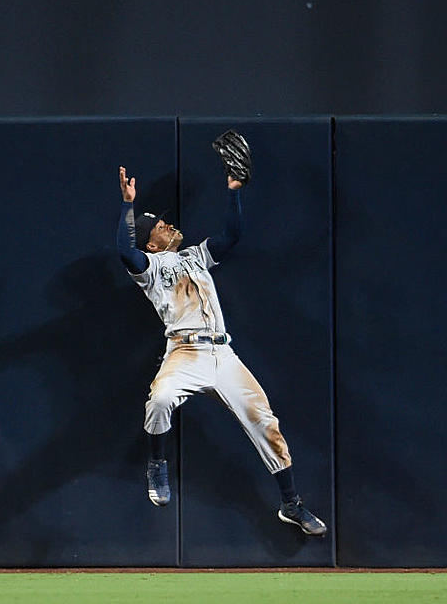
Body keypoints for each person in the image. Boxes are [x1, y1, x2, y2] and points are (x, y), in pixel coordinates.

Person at [115, 165, 326, 535]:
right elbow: (123, 252)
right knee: (160, 398)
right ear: (151, 243)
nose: (167, 226)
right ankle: (156, 463)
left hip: (223, 354)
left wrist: (233, 191)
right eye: (160, 228)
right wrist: (128, 207)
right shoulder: (150, 266)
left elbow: (231, 235)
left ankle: (291, 503)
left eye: (164, 223)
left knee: (265, 423)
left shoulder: (196, 255)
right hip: (184, 352)